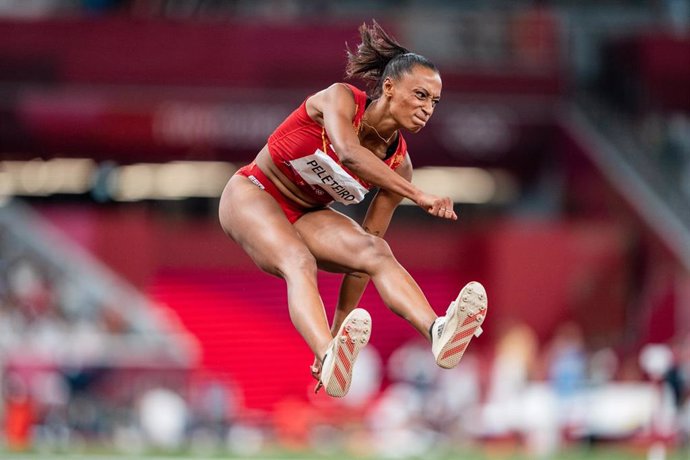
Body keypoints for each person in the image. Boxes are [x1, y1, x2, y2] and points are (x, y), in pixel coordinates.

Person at [218, 20, 488, 398]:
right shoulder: (340, 99)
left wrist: (340, 329)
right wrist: (418, 195)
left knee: (375, 251)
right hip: (253, 192)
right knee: (298, 261)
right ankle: (326, 352)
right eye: (421, 95)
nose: (428, 109)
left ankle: (437, 331)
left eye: (435, 102)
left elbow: (367, 253)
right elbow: (348, 152)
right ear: (390, 88)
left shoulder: (399, 163)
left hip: (308, 213)